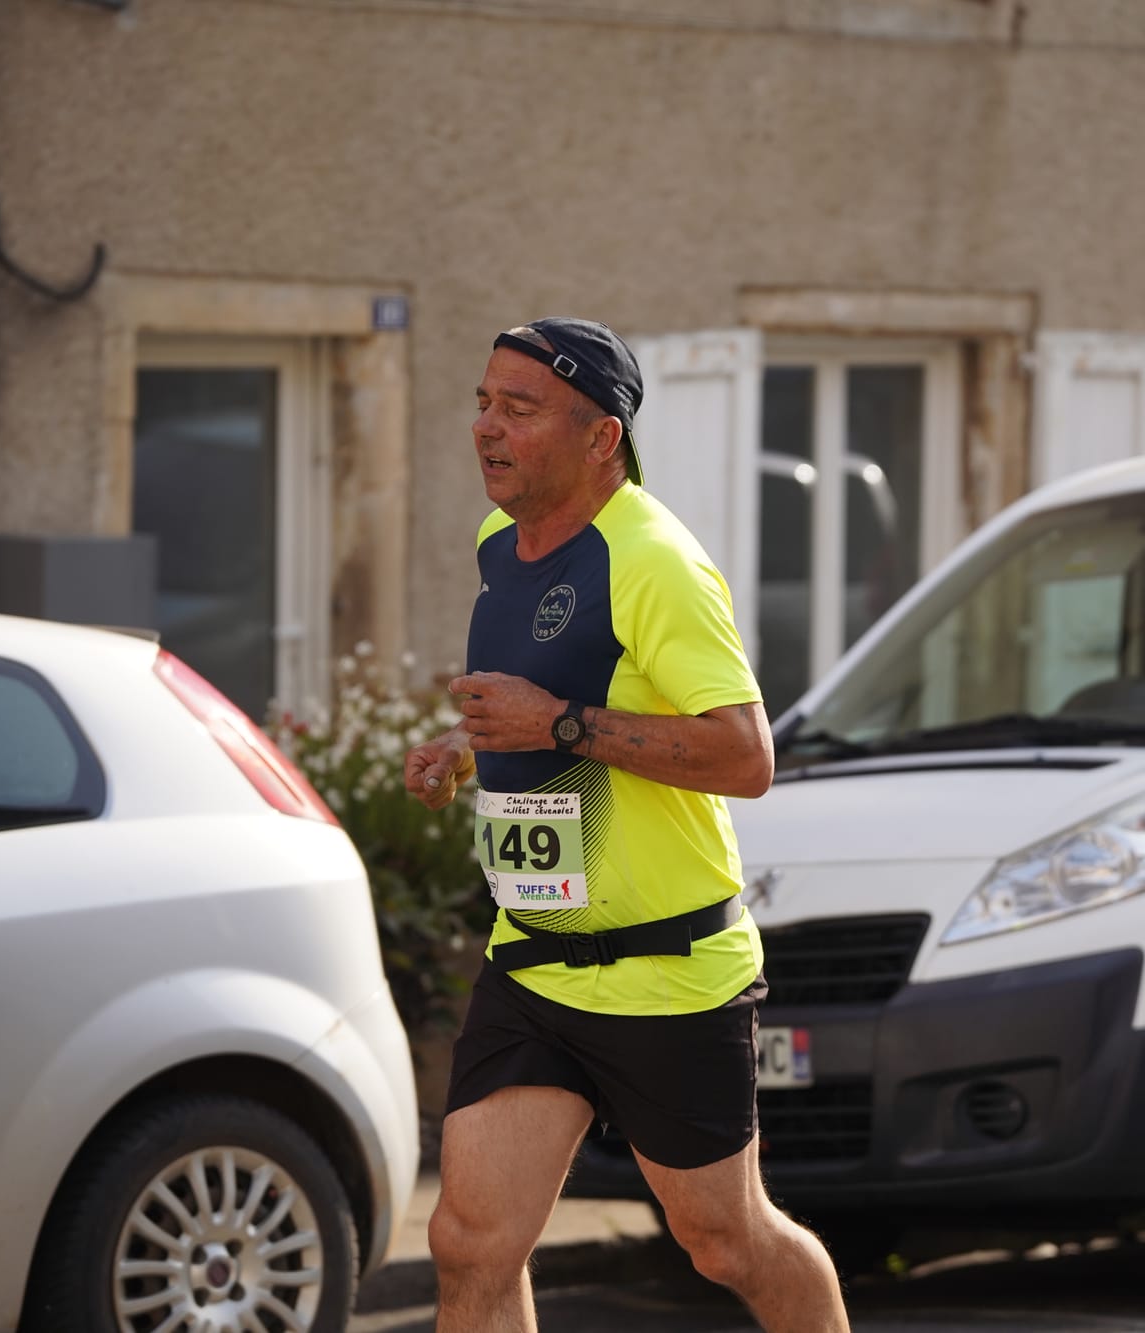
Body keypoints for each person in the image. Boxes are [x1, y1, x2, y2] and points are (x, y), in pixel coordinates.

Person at [402, 317, 850, 1333]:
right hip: (534, 950)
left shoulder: (654, 562)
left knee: (725, 1242)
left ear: (601, 436)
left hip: (666, 968)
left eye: (517, 409)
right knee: (471, 1241)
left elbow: (745, 756)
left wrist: (555, 723)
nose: (486, 427)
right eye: (481, 402)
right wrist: (466, 747)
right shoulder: (496, 546)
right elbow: (542, 701)